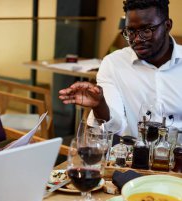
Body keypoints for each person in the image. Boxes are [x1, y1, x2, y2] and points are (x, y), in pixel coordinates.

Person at [59, 0, 182, 137]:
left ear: (167, 25)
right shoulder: (114, 64)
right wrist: (100, 105)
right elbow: (115, 128)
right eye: (130, 31)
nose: (136, 39)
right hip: (136, 154)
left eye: (146, 30)